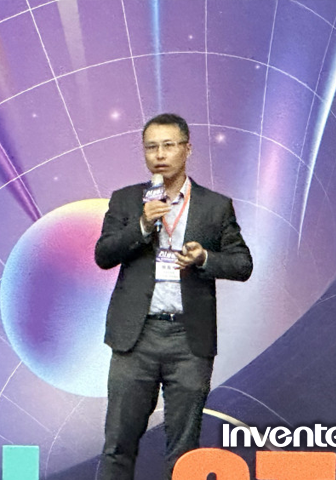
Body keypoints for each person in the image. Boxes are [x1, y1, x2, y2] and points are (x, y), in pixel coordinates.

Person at [95, 113, 253, 480]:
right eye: (151, 147)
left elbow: (242, 264)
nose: (159, 154)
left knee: (184, 452)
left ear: (187, 149)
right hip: (136, 337)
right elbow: (103, 255)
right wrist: (142, 224)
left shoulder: (215, 206)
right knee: (118, 444)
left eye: (168, 145)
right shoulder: (126, 200)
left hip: (188, 340)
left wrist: (204, 258)